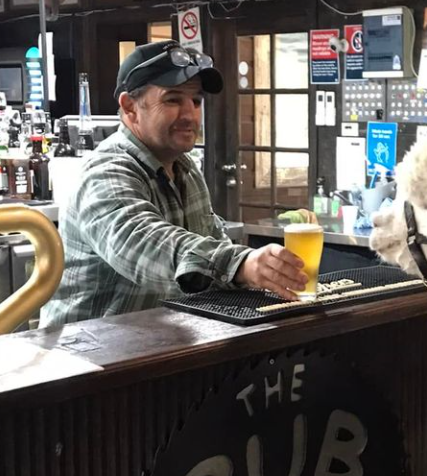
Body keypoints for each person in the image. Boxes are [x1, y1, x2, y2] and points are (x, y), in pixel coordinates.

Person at [41, 40, 307, 327]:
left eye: (196, 101)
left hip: (157, 345)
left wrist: (261, 273)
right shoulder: (105, 172)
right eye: (173, 99)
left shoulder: (185, 168)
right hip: (86, 356)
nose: (190, 114)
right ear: (130, 107)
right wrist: (241, 264)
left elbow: (212, 249)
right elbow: (148, 245)